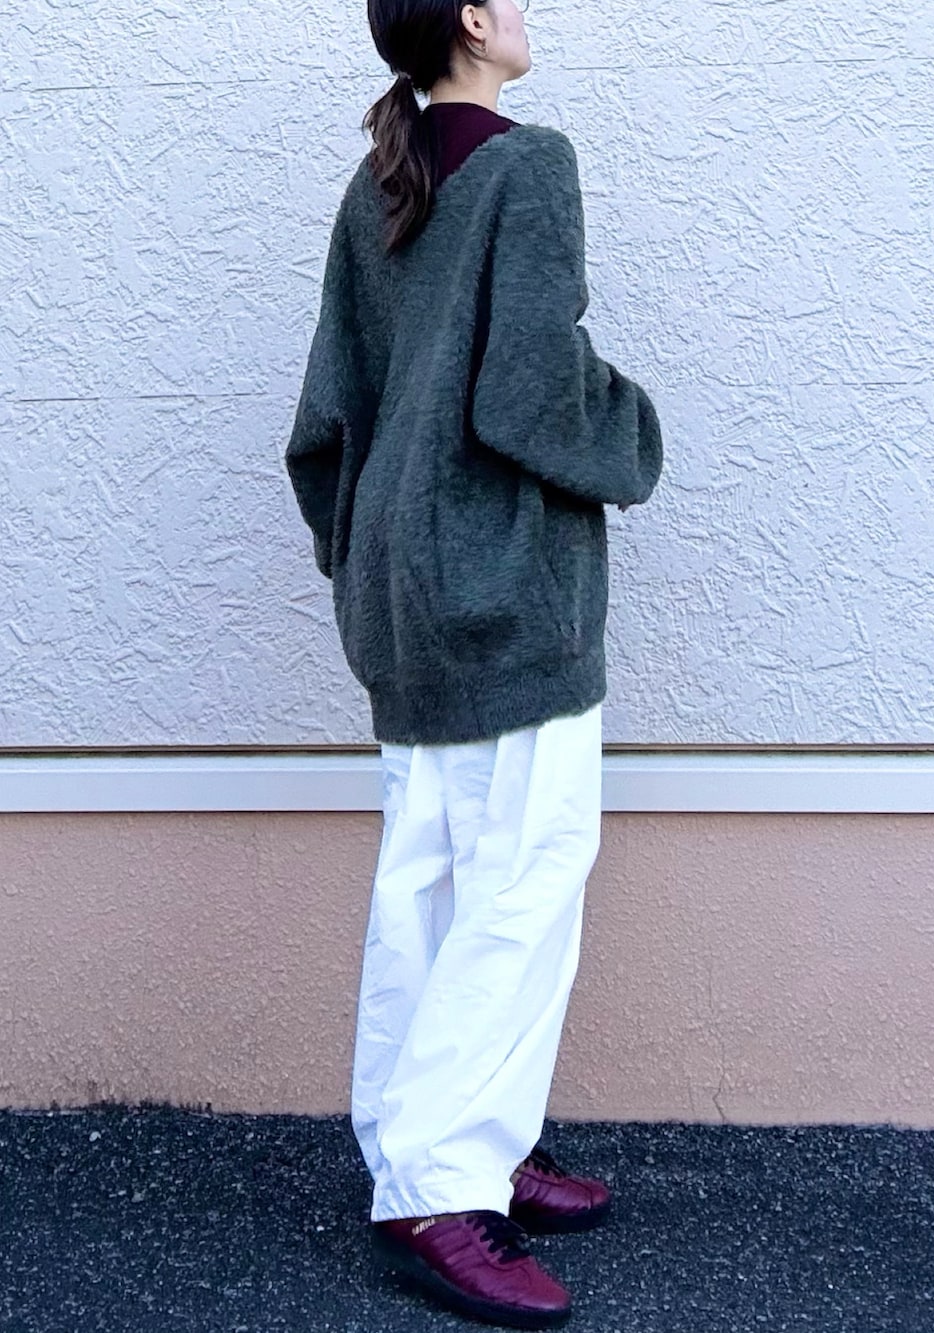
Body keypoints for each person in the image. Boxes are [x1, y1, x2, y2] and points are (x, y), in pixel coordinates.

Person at [284, 0, 663, 1325]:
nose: (529, 10)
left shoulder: (379, 181)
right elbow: (532, 395)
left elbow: (325, 416)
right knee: (521, 883)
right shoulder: (528, 162)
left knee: (430, 884)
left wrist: (367, 550)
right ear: (469, 21)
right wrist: (634, 433)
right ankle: (441, 1187)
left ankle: (441, 1143)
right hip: (504, 585)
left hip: (400, 585)